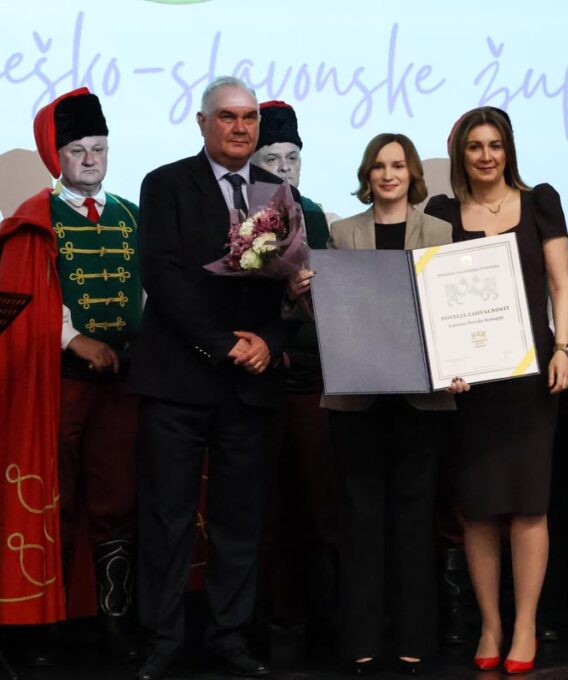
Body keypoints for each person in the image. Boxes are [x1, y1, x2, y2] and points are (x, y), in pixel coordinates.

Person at [128, 76, 296, 680]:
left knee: (239, 521)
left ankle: (230, 636)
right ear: (203, 123)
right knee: (168, 519)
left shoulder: (279, 191)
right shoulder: (165, 183)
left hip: (249, 386)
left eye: (249, 117)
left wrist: (270, 342)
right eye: (228, 116)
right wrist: (225, 345)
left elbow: (291, 286)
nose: (240, 127)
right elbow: (163, 277)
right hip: (178, 380)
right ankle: (161, 639)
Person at [0, 88, 142, 662]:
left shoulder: (132, 215)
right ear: (58, 157)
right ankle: (47, 625)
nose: (92, 159)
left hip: (124, 384)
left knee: (116, 498)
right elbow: (29, 303)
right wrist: (78, 341)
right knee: (58, 497)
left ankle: (112, 621)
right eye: (78, 150)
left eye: (100, 147)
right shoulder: (34, 220)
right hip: (60, 383)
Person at [424, 107, 568, 675]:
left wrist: (563, 348)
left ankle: (525, 622)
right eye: (474, 147)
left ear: (508, 150)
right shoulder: (441, 212)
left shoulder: (540, 203)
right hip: (471, 384)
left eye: (495, 145)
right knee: (480, 509)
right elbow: (433, 299)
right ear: (460, 154)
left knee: (529, 506)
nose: (486, 156)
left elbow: (560, 285)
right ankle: (490, 623)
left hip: (531, 377)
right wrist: (446, 363)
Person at [317, 133, 464, 675]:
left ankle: (413, 641)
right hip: (358, 399)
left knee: (413, 523)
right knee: (360, 522)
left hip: (421, 401)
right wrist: (309, 293)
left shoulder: (440, 232)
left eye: (398, 165)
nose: (388, 174)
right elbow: (332, 316)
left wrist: (460, 365)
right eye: (378, 166)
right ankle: (360, 642)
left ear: (412, 174)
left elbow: (453, 310)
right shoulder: (342, 233)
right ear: (367, 175)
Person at [250, 99, 338, 650]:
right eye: (272, 158)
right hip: (258, 377)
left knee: (321, 504)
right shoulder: (239, 216)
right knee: (266, 508)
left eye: (292, 158)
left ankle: (328, 620)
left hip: (313, 376)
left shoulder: (318, 215)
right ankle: (273, 623)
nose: (284, 169)